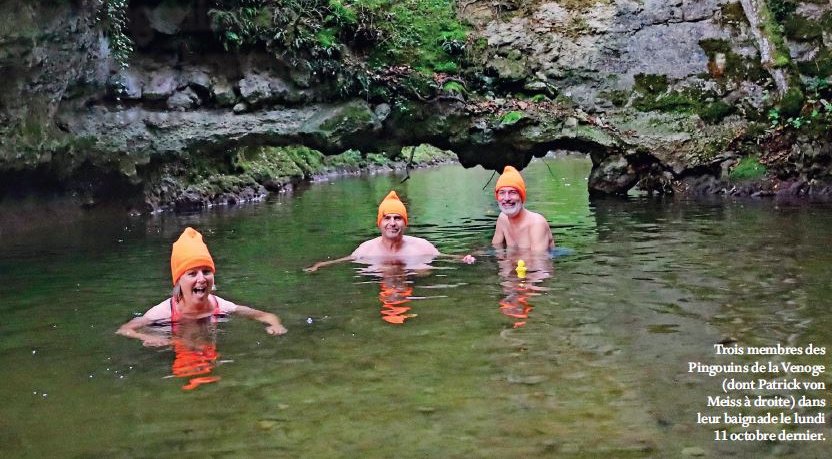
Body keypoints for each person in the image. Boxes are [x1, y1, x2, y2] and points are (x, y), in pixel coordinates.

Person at [117, 227, 286, 347]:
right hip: (178, 351)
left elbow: (265, 315)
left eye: (206, 271)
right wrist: (146, 337)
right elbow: (124, 330)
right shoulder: (162, 313)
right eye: (192, 274)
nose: (201, 279)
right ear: (179, 281)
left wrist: (275, 325)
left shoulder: (221, 306)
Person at [304, 190, 475, 272]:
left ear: (405, 223)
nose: (392, 223)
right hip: (382, 278)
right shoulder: (366, 249)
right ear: (379, 223)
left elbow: (444, 257)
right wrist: (320, 265)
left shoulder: (421, 246)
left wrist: (463, 258)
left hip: (409, 281)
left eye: (397, 218)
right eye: (387, 218)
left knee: (424, 271)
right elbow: (346, 260)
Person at [492, 165, 555, 251]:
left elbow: (540, 261)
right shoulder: (502, 219)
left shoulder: (537, 224)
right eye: (502, 193)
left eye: (512, 192)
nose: (506, 198)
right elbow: (494, 249)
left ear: (522, 196)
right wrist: (473, 257)